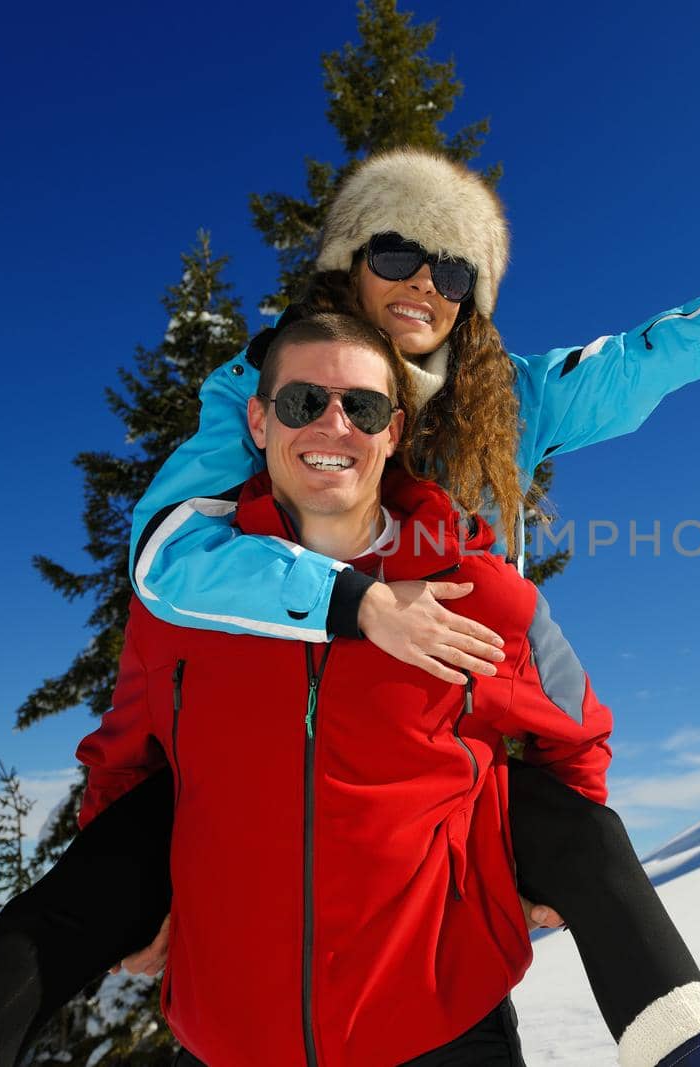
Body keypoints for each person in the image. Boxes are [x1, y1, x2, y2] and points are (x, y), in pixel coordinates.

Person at [0, 147, 700, 1066]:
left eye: (453, 269)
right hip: (280, 674)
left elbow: (642, 361)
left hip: (445, 698)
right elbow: (167, 561)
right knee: (106, 875)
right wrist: (360, 600)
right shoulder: (271, 383)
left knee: (574, 825)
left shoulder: (506, 402)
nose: (423, 282)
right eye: (396, 253)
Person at [77, 312, 623, 1064]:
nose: (333, 424)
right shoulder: (186, 604)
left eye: (361, 407)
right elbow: (123, 760)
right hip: (232, 1035)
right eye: (304, 402)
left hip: (445, 1026)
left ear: (393, 431)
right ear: (259, 421)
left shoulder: (469, 591)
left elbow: (576, 734)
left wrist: (543, 873)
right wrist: (130, 903)